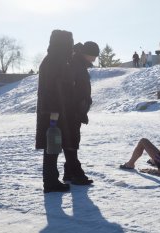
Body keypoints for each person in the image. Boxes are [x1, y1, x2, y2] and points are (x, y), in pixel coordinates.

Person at [36, 29, 74, 193]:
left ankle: (51, 181)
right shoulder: (53, 61)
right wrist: (54, 114)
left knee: (53, 146)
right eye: (69, 42)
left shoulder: (53, 60)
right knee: (52, 145)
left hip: (56, 111)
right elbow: (50, 89)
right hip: (54, 113)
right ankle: (50, 183)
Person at [62, 41, 100, 185]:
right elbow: (70, 88)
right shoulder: (75, 64)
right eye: (93, 55)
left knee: (73, 140)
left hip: (76, 109)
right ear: (86, 53)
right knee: (71, 141)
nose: (94, 59)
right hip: (72, 110)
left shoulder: (79, 64)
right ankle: (76, 174)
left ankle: (69, 173)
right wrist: (78, 104)